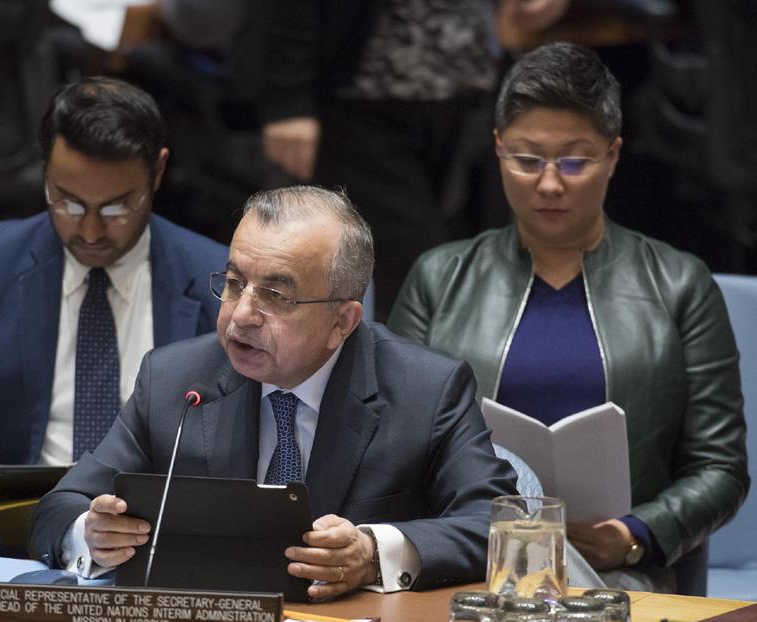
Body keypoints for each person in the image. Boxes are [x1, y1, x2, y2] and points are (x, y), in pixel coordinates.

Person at [28, 186, 518, 599]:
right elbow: (61, 505)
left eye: (276, 296)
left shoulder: (426, 390)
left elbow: (498, 524)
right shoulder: (174, 380)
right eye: (235, 283)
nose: (241, 315)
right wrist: (90, 533)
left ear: (343, 321)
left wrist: (373, 552)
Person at [388, 43, 749, 593]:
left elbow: (720, 466)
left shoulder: (679, 284)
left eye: (575, 162)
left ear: (614, 154)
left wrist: (635, 533)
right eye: (527, 160)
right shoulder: (441, 278)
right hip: (469, 563)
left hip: (619, 571)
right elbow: (395, 445)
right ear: (498, 149)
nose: (550, 184)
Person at [0, 78, 228, 550]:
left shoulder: (218, 279)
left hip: (159, 542)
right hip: (13, 535)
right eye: (68, 202)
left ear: (157, 173)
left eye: (116, 207)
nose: (90, 231)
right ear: (45, 173)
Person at [254, 0, 570, 318]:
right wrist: (287, 98)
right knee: (415, 268)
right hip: (365, 100)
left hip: (472, 92)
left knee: (483, 257)